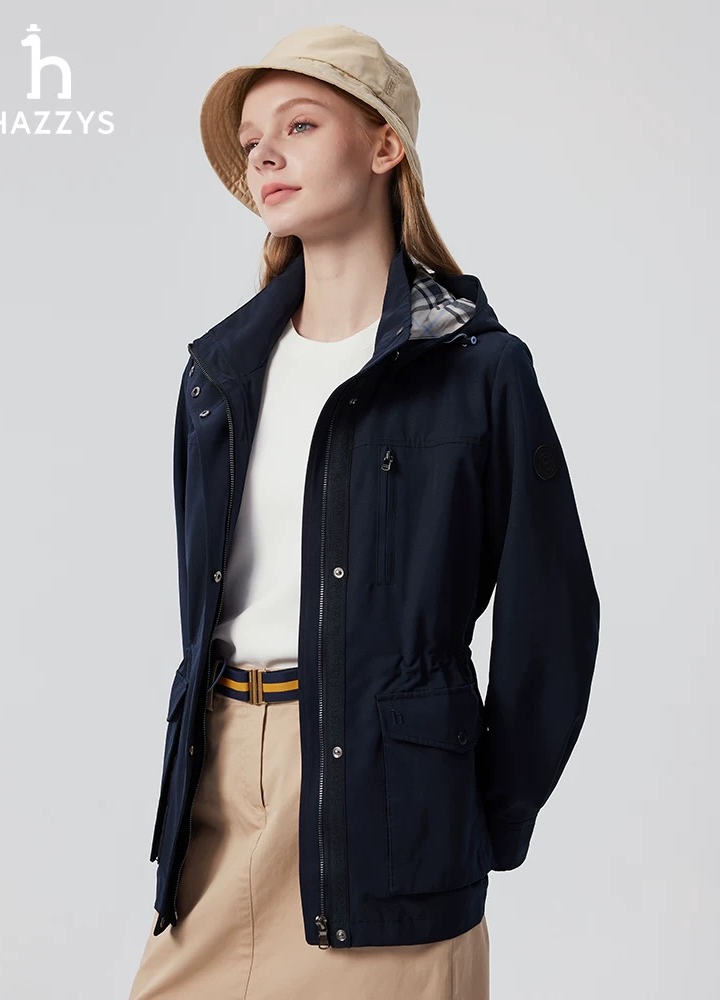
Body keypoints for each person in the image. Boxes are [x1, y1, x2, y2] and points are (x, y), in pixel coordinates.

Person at [127, 23, 600, 1000]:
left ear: (385, 146)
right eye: (253, 140)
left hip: (389, 805)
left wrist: (477, 813)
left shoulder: (478, 371)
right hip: (218, 789)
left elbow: (553, 618)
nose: (266, 154)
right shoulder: (217, 378)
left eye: (300, 125)